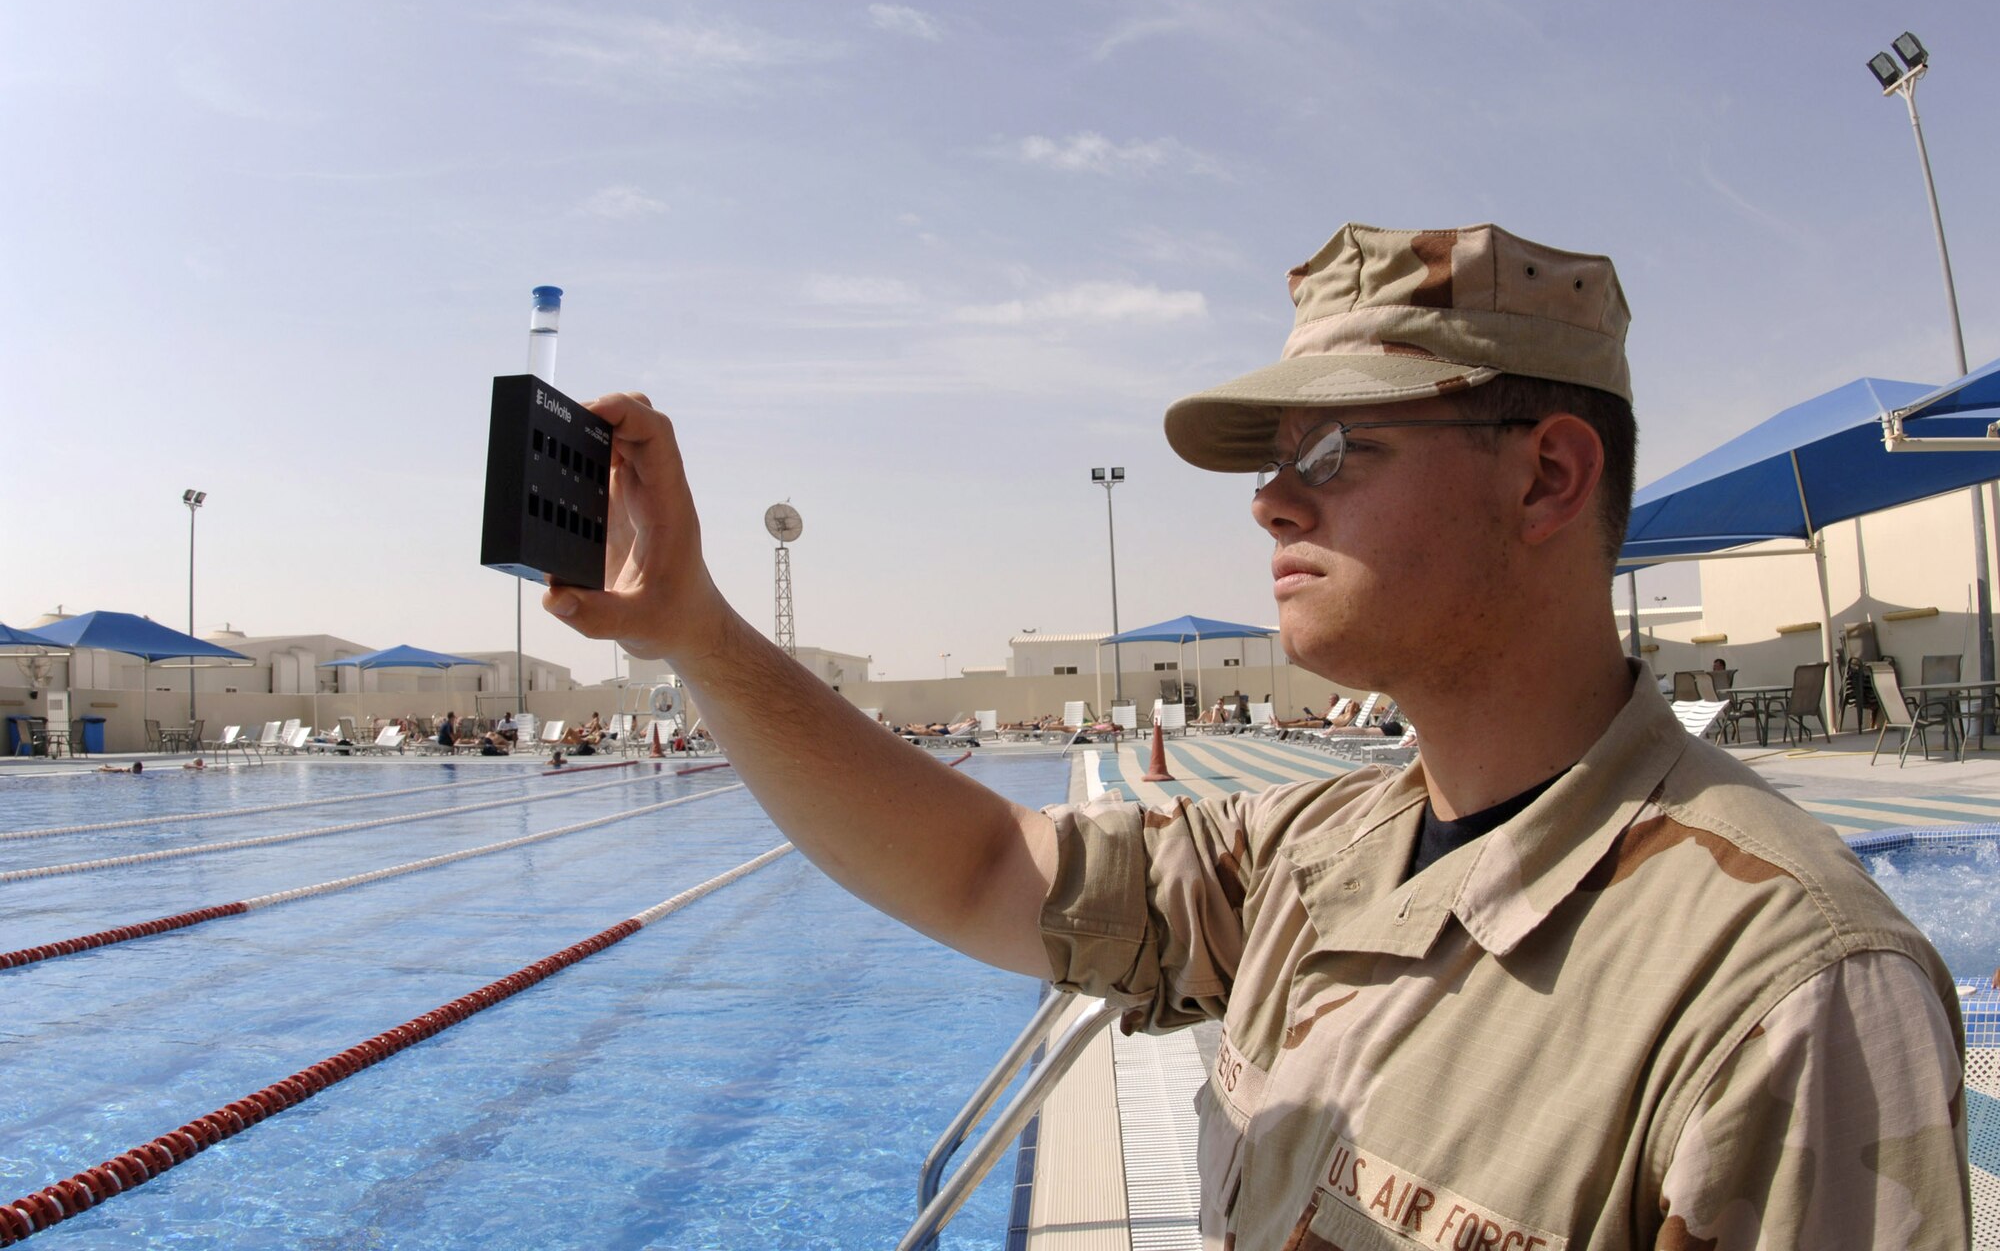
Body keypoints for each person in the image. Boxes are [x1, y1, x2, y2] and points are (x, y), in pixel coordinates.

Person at [542, 222, 1968, 1248]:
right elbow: (981, 866)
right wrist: (697, 636)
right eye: (1276, 461)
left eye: (1336, 453)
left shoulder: (1780, 993)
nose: (1272, 503)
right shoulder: (1322, 852)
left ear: (1545, 478)